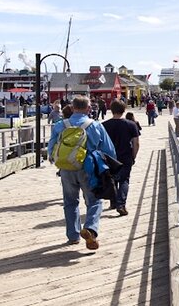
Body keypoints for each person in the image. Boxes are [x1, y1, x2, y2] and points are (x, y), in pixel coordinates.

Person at [47, 96, 116, 250]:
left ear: (72, 107)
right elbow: (108, 149)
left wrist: (55, 161)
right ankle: (90, 228)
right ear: (88, 108)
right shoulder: (95, 125)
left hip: (66, 168)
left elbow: (51, 148)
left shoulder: (60, 125)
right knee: (95, 200)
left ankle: (73, 235)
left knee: (70, 201)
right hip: (89, 168)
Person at [103, 100, 140, 216]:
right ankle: (121, 204)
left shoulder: (104, 125)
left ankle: (113, 202)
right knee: (124, 180)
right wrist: (133, 156)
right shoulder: (131, 124)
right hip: (125, 156)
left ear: (111, 109)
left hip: (109, 157)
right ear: (124, 110)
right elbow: (136, 143)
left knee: (111, 179)